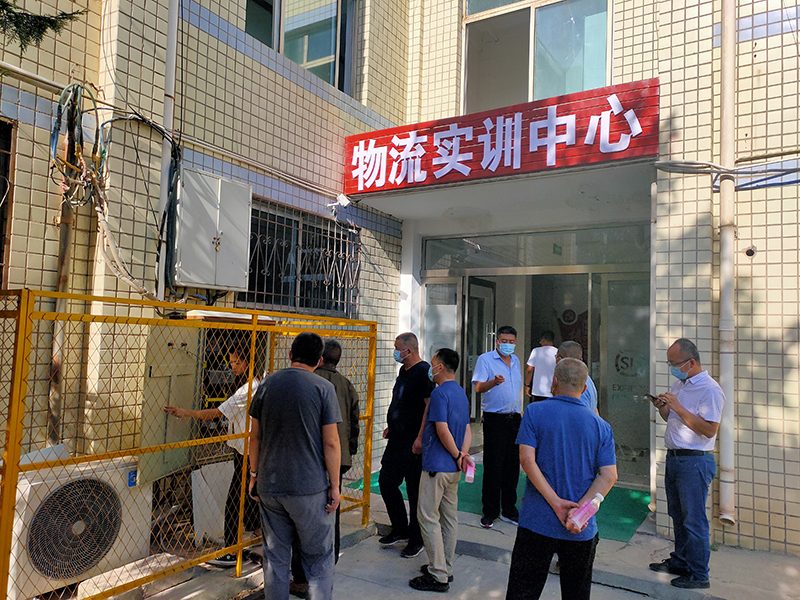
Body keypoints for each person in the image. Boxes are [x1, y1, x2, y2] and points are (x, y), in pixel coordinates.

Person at [506, 358, 617, 600]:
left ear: (553, 381)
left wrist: (556, 503)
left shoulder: (534, 412)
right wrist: (579, 512)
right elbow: (609, 475)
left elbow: (527, 461)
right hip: (580, 528)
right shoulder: (601, 426)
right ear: (584, 388)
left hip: (537, 521)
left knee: (522, 593)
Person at [248, 332, 342, 600]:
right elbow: (331, 442)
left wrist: (254, 475)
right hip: (309, 487)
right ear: (319, 360)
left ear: (290, 355)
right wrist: (335, 486)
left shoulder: (266, 385)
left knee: (275, 556)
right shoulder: (324, 388)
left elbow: (255, 436)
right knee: (318, 557)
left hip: (270, 484)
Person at [164, 344, 260, 567]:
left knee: (234, 499)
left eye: (237, 362)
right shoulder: (250, 383)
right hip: (242, 447)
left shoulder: (248, 389)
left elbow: (217, 412)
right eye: (231, 362)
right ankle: (256, 529)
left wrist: (186, 412)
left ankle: (231, 548)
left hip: (247, 449)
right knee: (248, 492)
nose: (232, 366)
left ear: (247, 363)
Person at [648, 338, 724, 590]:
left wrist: (678, 407)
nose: (672, 368)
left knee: (693, 519)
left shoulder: (710, 390)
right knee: (678, 515)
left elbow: (709, 430)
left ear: (691, 362)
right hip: (676, 458)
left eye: (675, 363)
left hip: (694, 461)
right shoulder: (680, 383)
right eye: (669, 363)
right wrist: (663, 408)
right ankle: (680, 561)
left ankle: (699, 573)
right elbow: (672, 418)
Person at [290, 339, 360, 597]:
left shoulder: (309, 381)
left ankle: (301, 576)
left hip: (310, 457)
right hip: (338, 458)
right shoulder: (346, 385)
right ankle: (328, 565)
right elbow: (354, 422)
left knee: (303, 518)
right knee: (332, 511)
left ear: (320, 358)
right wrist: (348, 451)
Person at [409, 348, 472, 593]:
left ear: (441, 367)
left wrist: (456, 454)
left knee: (427, 517)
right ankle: (446, 566)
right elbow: (466, 429)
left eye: (433, 362)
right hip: (453, 470)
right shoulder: (460, 393)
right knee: (449, 518)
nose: (430, 367)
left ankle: (437, 574)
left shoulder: (439, 393)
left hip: (437, 466)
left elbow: (442, 429)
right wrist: (462, 455)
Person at [378, 332, 435, 558]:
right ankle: (399, 527)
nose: (395, 352)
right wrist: (392, 425)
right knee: (386, 482)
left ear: (408, 350)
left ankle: (416, 538)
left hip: (413, 442)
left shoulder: (424, 372)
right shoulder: (404, 370)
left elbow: (428, 407)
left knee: (414, 491)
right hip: (396, 440)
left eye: (397, 348)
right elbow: (401, 401)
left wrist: (420, 437)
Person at [472, 325, 522, 529]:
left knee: (512, 465)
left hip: (515, 419)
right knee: (494, 465)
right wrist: (493, 382)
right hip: (495, 419)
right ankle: (490, 511)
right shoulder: (486, 359)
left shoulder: (516, 361)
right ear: (497, 342)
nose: (508, 345)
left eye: (511, 342)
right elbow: (478, 387)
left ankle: (509, 509)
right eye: (504, 341)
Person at [556, 341, 598, 413]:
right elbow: (595, 411)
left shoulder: (574, 385)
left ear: (559, 360)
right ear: (581, 360)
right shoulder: (587, 379)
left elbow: (580, 414)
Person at [525, 330, 557, 403]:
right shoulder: (558, 352)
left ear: (543, 340)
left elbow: (529, 370)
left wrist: (527, 385)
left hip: (538, 391)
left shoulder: (536, 351)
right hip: (553, 390)